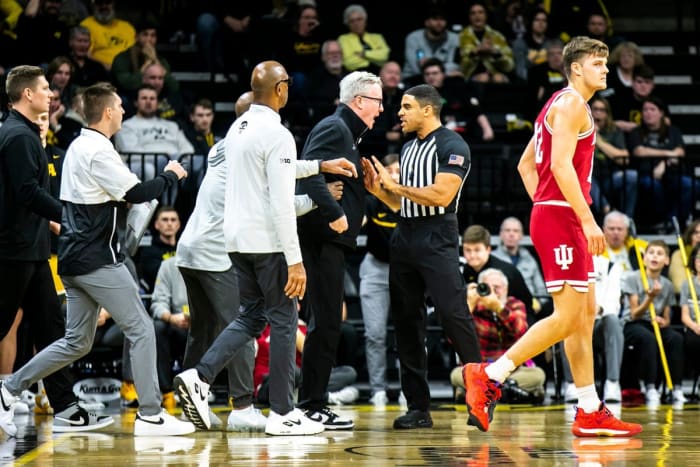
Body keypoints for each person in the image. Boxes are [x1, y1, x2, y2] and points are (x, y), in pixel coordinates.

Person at [463, 36, 642, 437]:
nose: (606, 70)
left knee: (582, 318)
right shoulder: (571, 105)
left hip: (557, 214)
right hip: (564, 218)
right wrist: (582, 217)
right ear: (576, 67)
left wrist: (547, 207)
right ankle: (489, 374)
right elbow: (559, 165)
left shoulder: (557, 105)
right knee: (567, 318)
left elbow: (528, 167)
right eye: (598, 63)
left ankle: (590, 408)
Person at [1, 81, 195, 436]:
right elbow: (138, 192)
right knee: (142, 328)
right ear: (107, 112)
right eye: (120, 105)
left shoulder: (78, 145)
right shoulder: (99, 150)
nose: (124, 110)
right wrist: (171, 174)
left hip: (74, 260)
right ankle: (151, 414)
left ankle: (9, 387)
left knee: (76, 342)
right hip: (97, 259)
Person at [174, 88, 355, 432]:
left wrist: (318, 165)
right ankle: (279, 412)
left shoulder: (230, 141)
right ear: (280, 90)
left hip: (227, 244)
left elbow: (278, 173)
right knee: (285, 320)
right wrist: (298, 254)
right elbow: (280, 203)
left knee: (248, 318)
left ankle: (199, 376)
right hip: (257, 244)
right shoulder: (275, 133)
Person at [362, 84, 482, 430]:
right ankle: (418, 407)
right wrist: (379, 192)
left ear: (427, 110)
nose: (399, 113)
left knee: (453, 313)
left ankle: (480, 395)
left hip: (437, 234)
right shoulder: (410, 147)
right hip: (406, 233)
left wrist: (394, 186)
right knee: (406, 323)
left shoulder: (452, 144)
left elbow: (442, 196)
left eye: (406, 106)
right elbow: (404, 204)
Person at [294, 70, 383, 431]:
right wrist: (336, 215)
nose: (381, 109)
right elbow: (308, 172)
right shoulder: (336, 128)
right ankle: (311, 405)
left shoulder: (348, 133)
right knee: (326, 322)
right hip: (321, 238)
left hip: (330, 240)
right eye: (378, 102)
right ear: (359, 101)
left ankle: (313, 403)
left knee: (329, 322)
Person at [0, 65, 81, 437]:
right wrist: (69, 214)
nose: (51, 93)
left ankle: (65, 407)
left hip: (31, 250)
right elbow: (27, 193)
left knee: (51, 327)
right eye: (45, 88)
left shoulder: (27, 133)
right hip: (13, 250)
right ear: (27, 94)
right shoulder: (17, 136)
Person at [450, 268, 546, 403]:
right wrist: (469, 307)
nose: (494, 292)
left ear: (506, 289)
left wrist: (499, 308)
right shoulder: (473, 307)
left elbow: (521, 331)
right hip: (481, 369)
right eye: (488, 287)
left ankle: (482, 391)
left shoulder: (515, 304)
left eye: (497, 287)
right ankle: (508, 391)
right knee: (456, 374)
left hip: (511, 370)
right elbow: (454, 339)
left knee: (538, 375)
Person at [620, 240, 685, 406]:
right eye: (651, 253)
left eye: (659, 253)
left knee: (675, 338)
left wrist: (664, 321)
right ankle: (650, 387)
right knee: (648, 338)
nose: (654, 256)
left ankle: (676, 388)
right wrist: (650, 297)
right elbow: (634, 314)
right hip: (634, 324)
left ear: (667, 261)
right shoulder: (633, 278)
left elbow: (668, 316)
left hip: (654, 324)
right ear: (644, 258)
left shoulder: (668, 285)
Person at [359, 153, 400, 407]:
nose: (394, 175)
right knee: (375, 335)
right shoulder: (371, 201)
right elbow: (355, 222)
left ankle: (411, 390)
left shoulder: (411, 201)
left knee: (410, 335)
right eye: (390, 170)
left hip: (405, 270)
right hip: (375, 269)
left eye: (398, 171)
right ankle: (378, 390)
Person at [561, 254, 625, 403]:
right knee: (564, 322)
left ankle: (612, 383)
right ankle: (572, 384)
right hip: (576, 322)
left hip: (600, 323)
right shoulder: (566, 265)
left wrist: (598, 308)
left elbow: (614, 301)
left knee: (613, 320)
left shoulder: (611, 266)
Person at [491, 216, 550, 317]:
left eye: (515, 231)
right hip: (499, 309)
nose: (511, 234)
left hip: (529, 309)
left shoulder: (529, 260)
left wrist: (539, 304)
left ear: (521, 235)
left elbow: (542, 291)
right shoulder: (492, 258)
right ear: (501, 234)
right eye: (507, 230)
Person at [402, 6, 461, 86]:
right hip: (414, 78)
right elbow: (415, 67)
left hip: (444, 79)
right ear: (426, 22)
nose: (439, 22)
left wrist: (429, 65)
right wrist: (438, 70)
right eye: (435, 19)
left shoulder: (455, 38)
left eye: (442, 19)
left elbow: (454, 65)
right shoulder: (413, 38)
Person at [458, 1, 514, 83]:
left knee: (498, 78)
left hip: (495, 74)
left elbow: (509, 66)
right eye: (473, 13)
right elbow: (462, 68)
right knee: (483, 78)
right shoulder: (463, 36)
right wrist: (475, 52)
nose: (477, 16)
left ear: (486, 15)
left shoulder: (497, 36)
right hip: (471, 77)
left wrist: (495, 53)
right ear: (469, 17)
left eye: (481, 12)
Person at [79, 0, 136, 71]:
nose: (104, 6)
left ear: (113, 4)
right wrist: (109, 67)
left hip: (127, 71)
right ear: (93, 6)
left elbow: (134, 54)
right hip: (100, 72)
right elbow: (86, 55)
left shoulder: (127, 27)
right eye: (99, 3)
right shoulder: (86, 25)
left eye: (107, 2)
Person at [337, 4, 390, 73]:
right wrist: (375, 56)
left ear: (365, 21)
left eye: (359, 19)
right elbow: (348, 62)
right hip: (356, 75)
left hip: (379, 74)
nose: (356, 23)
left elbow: (384, 56)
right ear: (347, 24)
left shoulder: (377, 37)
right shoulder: (343, 39)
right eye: (352, 21)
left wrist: (364, 54)